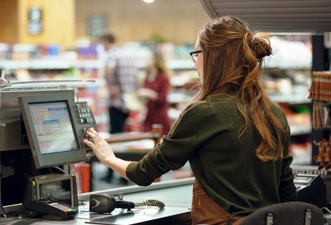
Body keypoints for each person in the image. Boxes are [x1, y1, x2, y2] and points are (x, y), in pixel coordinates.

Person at [85, 16, 297, 225]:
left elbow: (143, 173)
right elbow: (286, 187)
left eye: (196, 53)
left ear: (214, 58)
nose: (195, 62)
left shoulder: (204, 112)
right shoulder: (273, 112)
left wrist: (108, 157)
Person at [99, 32, 139, 184]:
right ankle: (126, 173)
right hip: (128, 102)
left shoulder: (112, 56)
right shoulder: (128, 55)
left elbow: (108, 76)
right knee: (124, 137)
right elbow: (135, 79)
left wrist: (110, 93)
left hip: (116, 102)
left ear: (105, 41)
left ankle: (111, 173)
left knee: (114, 139)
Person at [137, 51, 172, 135]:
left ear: (155, 60)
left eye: (148, 58)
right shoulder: (146, 77)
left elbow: (162, 98)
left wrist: (148, 93)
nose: (145, 61)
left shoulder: (163, 78)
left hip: (160, 117)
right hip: (148, 116)